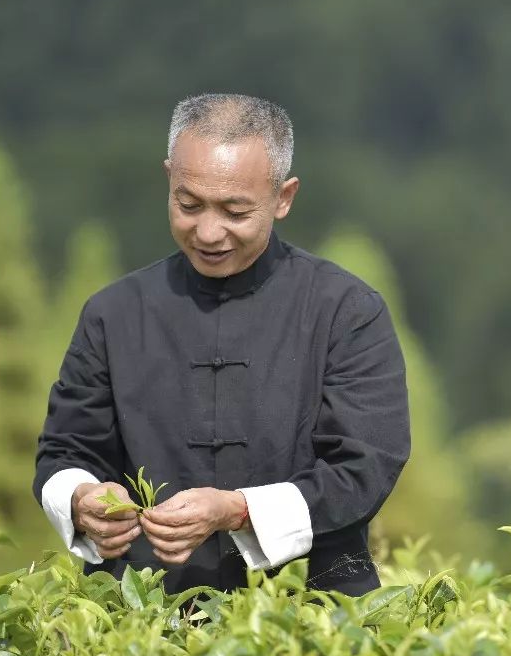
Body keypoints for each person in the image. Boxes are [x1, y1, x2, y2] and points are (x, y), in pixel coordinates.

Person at [33, 93, 410, 595]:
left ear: (284, 196)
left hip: (311, 614)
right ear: (168, 178)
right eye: (188, 205)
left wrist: (238, 511)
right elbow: (63, 450)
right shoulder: (113, 313)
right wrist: (81, 499)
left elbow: (365, 467)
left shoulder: (347, 311)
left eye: (235, 211)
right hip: (138, 617)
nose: (208, 232)